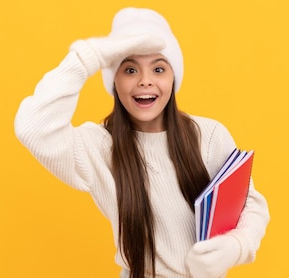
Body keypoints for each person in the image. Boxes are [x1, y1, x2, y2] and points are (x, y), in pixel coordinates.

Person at [14, 7, 270, 278]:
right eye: (130, 69)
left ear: (173, 77)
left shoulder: (208, 136)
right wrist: (87, 57)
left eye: (158, 68)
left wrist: (236, 246)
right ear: (114, 81)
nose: (145, 81)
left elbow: (250, 204)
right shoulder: (99, 147)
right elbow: (33, 128)